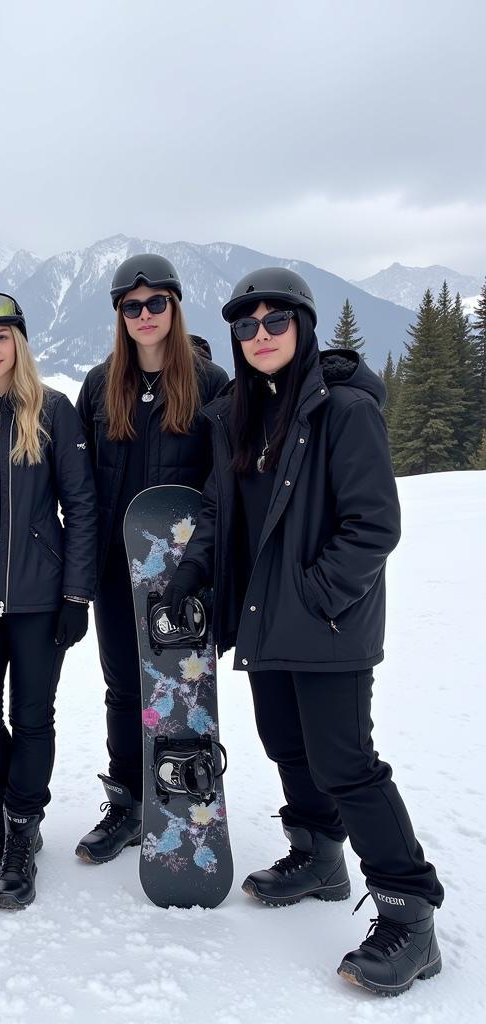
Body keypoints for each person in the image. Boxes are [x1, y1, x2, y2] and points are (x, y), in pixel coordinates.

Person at [161, 267, 443, 995]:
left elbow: (373, 525)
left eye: (274, 321)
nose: (260, 335)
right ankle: (317, 854)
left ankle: (410, 918)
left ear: (303, 327)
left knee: (346, 762)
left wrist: (317, 598)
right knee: (286, 744)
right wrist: (193, 571)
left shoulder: (343, 411)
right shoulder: (236, 414)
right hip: (265, 618)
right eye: (246, 326)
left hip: (325, 623)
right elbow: (224, 512)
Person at [73, 254, 228, 864]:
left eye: (155, 303)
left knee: (184, 689)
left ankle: (187, 790)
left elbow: (222, 485)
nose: (144, 315)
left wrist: (207, 562)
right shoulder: (98, 383)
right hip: (119, 565)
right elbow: (82, 486)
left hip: (183, 568)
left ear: (175, 305)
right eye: (131, 306)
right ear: (119, 314)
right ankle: (129, 802)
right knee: (122, 686)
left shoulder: (209, 383)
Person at [0, 292, 96, 909]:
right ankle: (9, 812)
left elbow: (82, 506)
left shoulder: (52, 411)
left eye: (0, 339)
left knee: (32, 718)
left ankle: (20, 833)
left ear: (20, 343)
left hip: (37, 596)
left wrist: (76, 592)